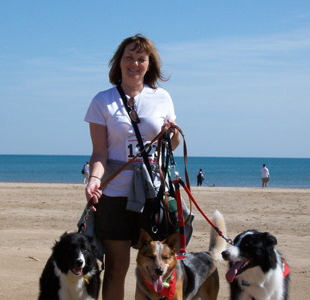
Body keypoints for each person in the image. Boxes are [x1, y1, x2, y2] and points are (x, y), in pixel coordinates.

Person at [84, 34, 180, 300]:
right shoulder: (102, 101)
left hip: (153, 193)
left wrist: (172, 135)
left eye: (141, 58)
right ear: (119, 62)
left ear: (149, 65)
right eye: (129, 57)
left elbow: (171, 146)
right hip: (114, 195)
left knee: (157, 267)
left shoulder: (162, 97)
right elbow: (100, 152)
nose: (134, 63)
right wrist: (93, 180)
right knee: (117, 267)